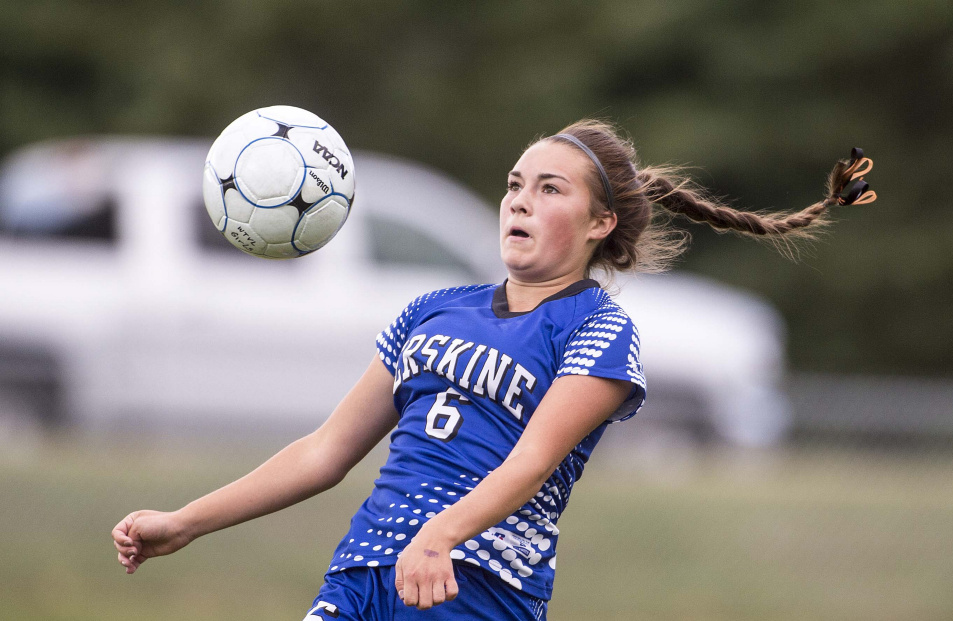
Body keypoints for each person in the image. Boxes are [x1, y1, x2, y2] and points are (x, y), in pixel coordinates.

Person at [112, 120, 875, 620]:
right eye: (514, 184)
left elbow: (533, 460)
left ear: (598, 223)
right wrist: (185, 520)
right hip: (362, 576)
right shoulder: (432, 308)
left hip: (474, 586)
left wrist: (441, 536)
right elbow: (324, 451)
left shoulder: (597, 328)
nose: (519, 200)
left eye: (549, 189)